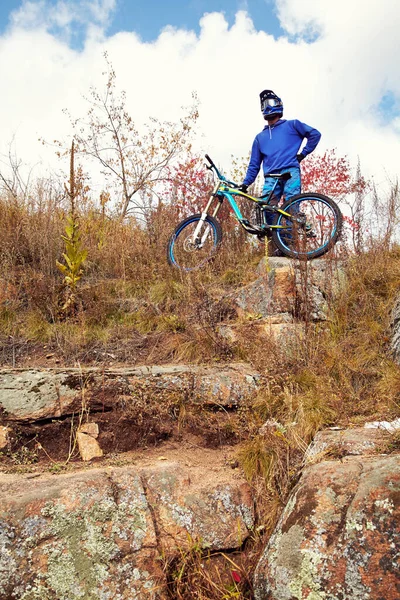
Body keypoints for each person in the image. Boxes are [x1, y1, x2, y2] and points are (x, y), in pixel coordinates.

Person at [238, 90, 321, 229]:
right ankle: (277, 242)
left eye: (270, 103)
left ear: (278, 104)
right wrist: (246, 183)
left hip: (290, 171)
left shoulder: (292, 125)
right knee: (266, 207)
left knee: (291, 206)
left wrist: (302, 154)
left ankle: (289, 243)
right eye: (264, 104)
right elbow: (254, 165)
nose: (267, 107)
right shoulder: (260, 138)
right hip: (271, 177)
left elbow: (315, 134)